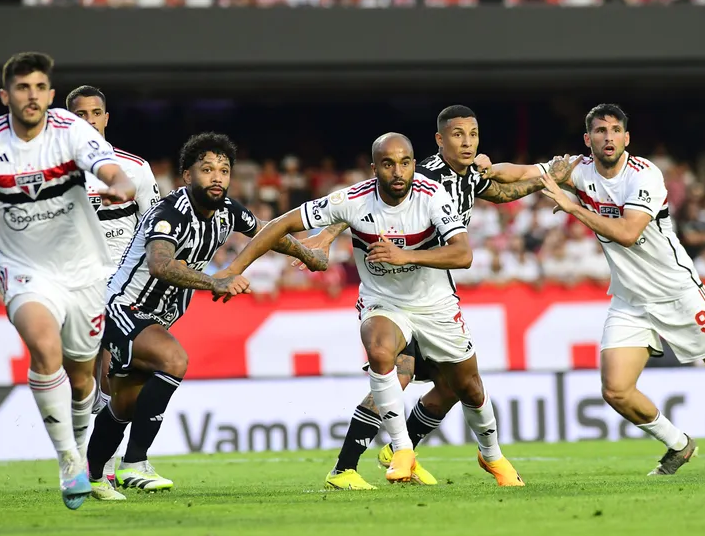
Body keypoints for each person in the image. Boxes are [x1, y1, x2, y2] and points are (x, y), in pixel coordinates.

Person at [223, 132, 525, 487]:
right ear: (374, 169)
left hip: (435, 305)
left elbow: (463, 254)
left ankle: (491, 456)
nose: (398, 171)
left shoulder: (433, 197)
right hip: (384, 303)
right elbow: (282, 223)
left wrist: (406, 255)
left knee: (467, 388)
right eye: (388, 164)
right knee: (383, 353)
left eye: (405, 163)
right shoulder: (353, 199)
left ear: (414, 165)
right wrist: (233, 268)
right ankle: (401, 451)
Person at [294, 105, 570, 490]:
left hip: (433, 293)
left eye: (473, 135)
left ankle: (399, 451)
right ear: (440, 141)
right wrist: (326, 235)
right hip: (397, 291)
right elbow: (365, 203)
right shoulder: (420, 175)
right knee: (400, 370)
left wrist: (544, 180)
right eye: (458, 135)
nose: (467, 142)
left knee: (456, 385)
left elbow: (505, 191)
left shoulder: (470, 175)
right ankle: (347, 467)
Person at [537, 103, 705, 474]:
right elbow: (524, 174)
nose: (609, 136)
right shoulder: (580, 171)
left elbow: (629, 234)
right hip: (631, 300)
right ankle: (679, 445)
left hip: (679, 293)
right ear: (588, 139)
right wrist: (481, 171)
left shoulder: (644, 174)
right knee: (615, 390)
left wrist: (571, 207)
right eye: (600, 131)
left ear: (626, 138)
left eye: (616, 130)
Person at [0, 52, 137, 510]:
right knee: (44, 348)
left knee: (83, 379)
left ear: (50, 93)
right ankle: (68, 462)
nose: (32, 96)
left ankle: (80, 452)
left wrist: (118, 182)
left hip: (84, 269)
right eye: (23, 88)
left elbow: (107, 167)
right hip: (25, 268)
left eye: (40, 87)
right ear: (6, 95)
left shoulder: (69, 130)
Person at [85, 132, 324, 497]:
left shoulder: (228, 212)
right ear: (186, 176)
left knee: (124, 404)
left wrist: (308, 255)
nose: (217, 177)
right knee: (174, 359)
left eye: (224, 170)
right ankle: (134, 462)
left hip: (156, 318)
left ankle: (92, 477)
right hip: (121, 308)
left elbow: (267, 233)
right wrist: (215, 282)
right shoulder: (169, 213)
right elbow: (160, 264)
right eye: (207, 169)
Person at [66, 84, 162, 494]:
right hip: (76, 287)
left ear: (107, 118)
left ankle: (113, 464)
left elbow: (158, 228)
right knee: (85, 381)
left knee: (116, 377)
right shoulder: (57, 173)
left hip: (124, 291)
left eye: (96, 113)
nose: (89, 120)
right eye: (80, 114)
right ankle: (89, 463)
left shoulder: (135, 169)